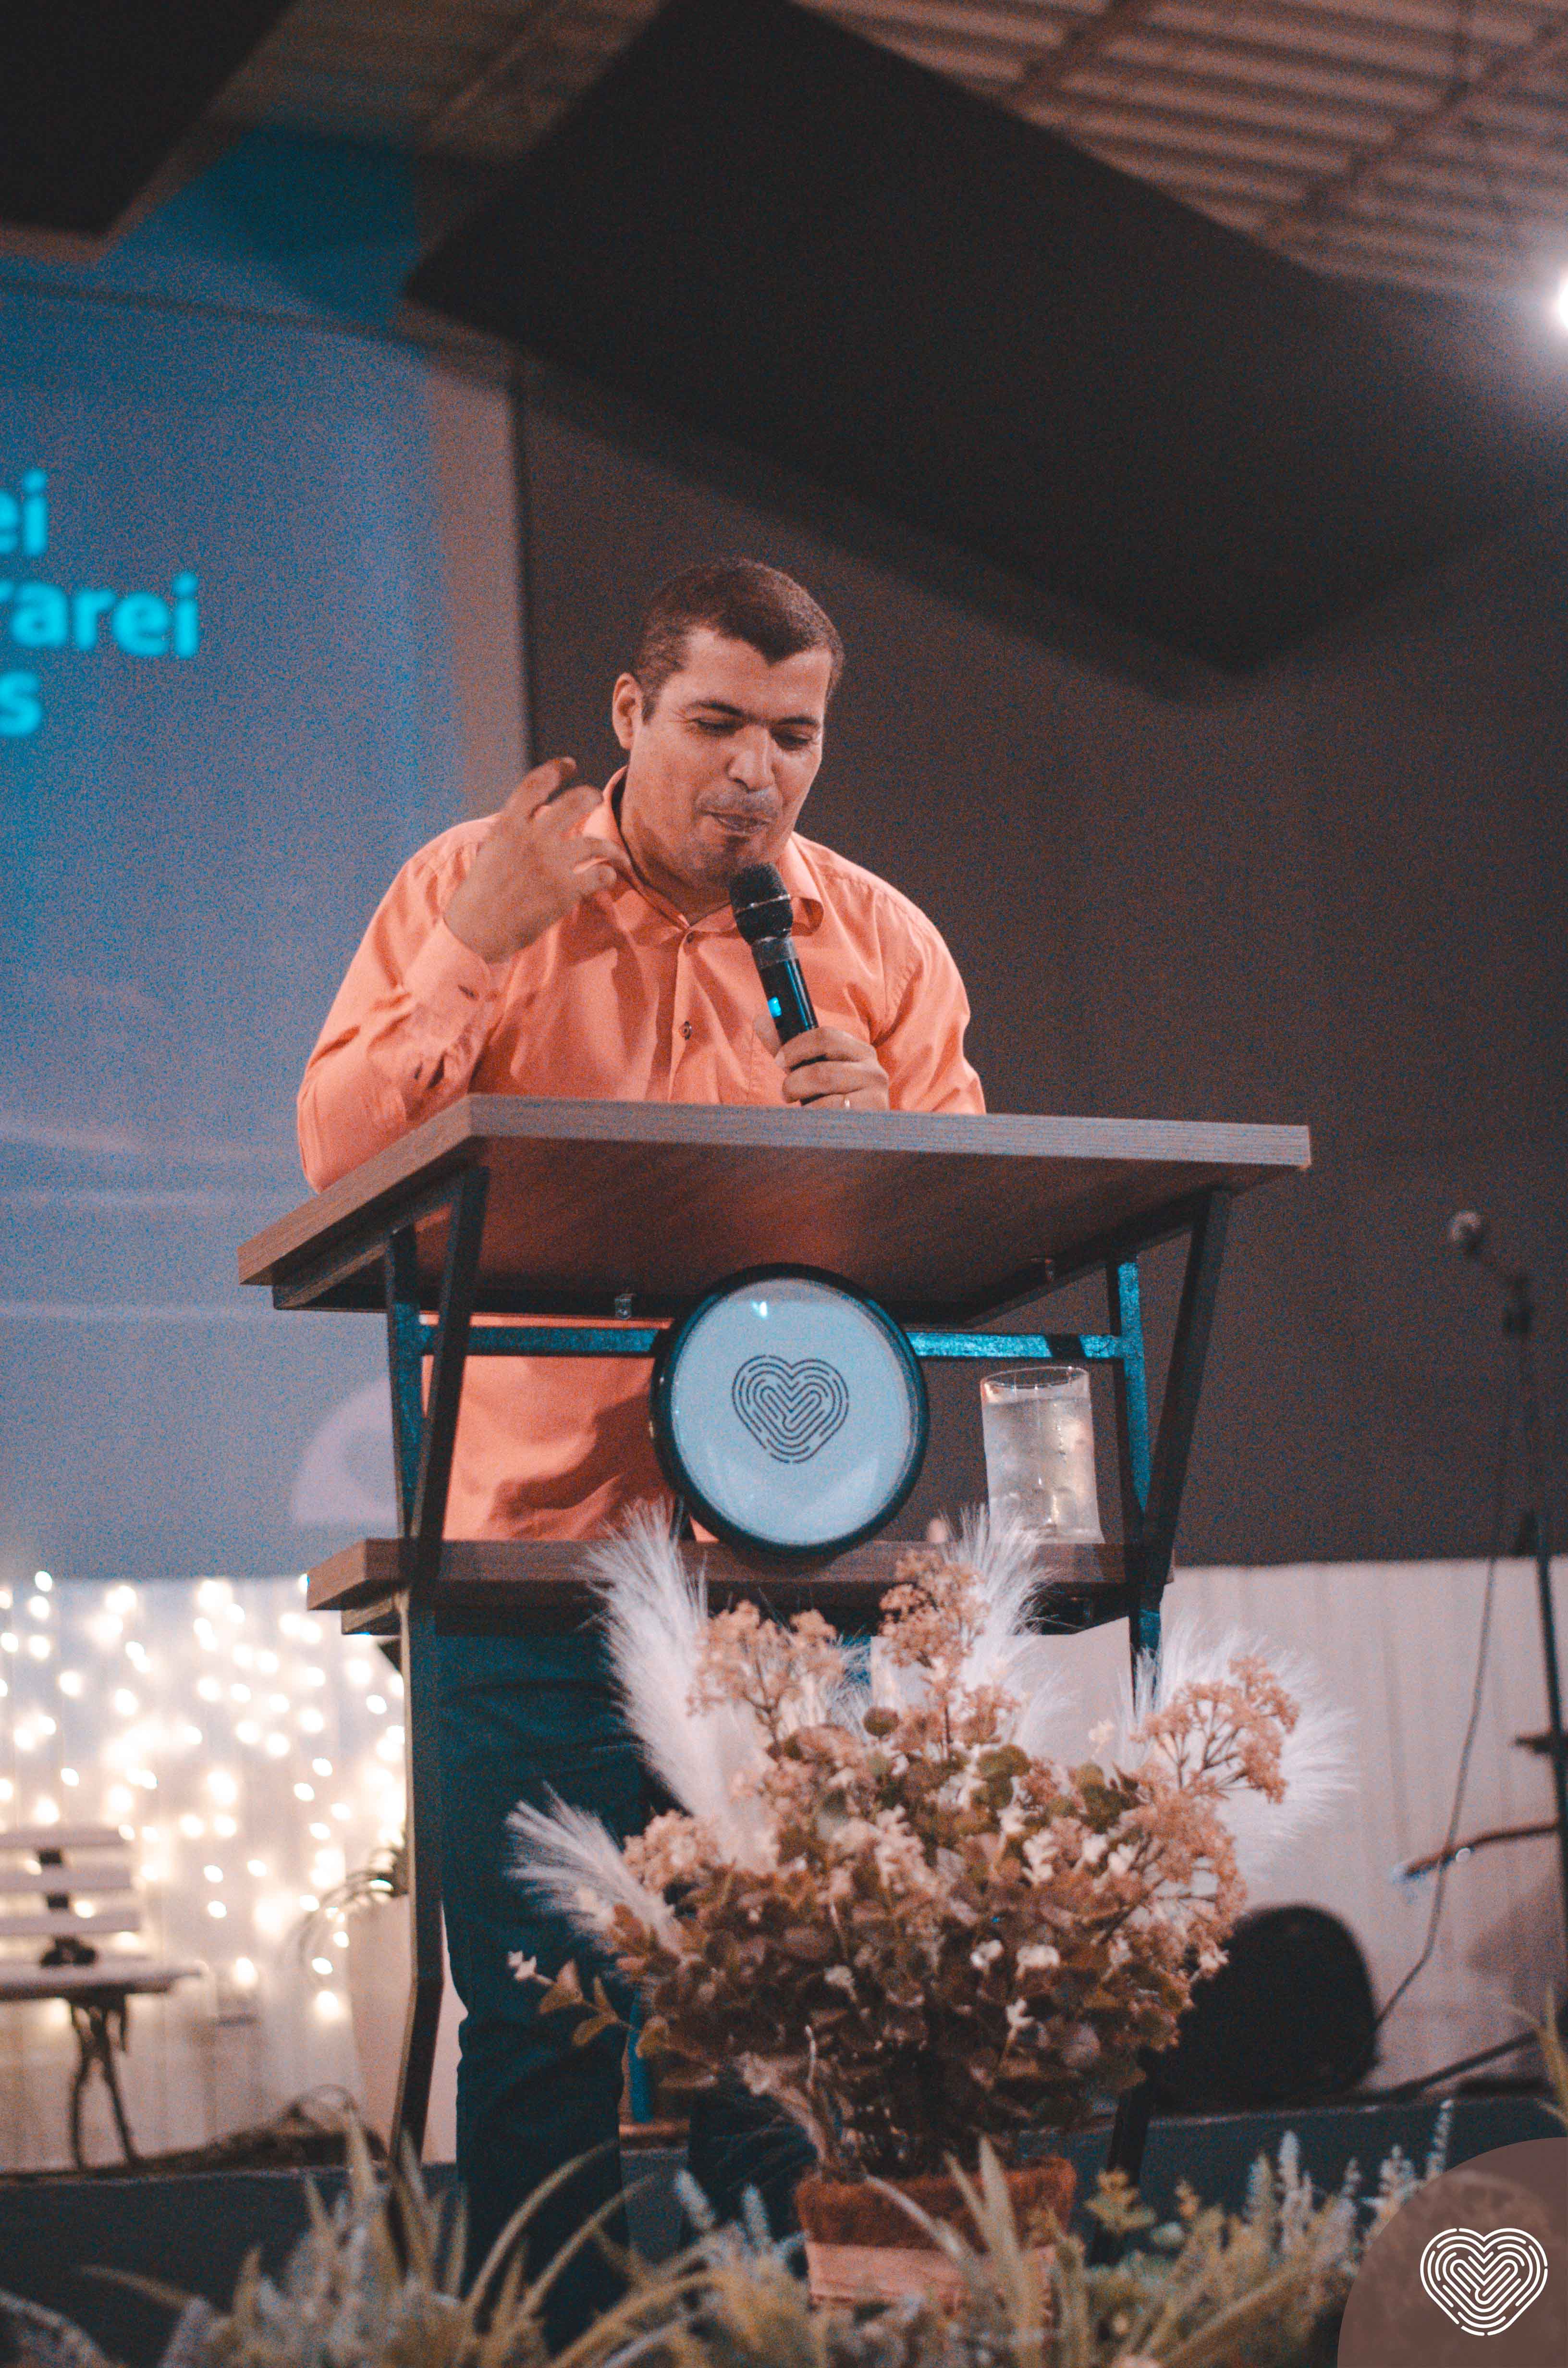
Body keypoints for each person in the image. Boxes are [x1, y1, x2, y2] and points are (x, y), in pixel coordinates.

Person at [298, 559, 984, 2324]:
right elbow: (340, 1166)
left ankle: (811, 2347)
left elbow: (972, 1243)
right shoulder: (468, 886)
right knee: (538, 2020)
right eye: (716, 724)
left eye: (795, 737)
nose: (757, 772)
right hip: (525, 1561)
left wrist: (891, 1157)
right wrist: (476, 949)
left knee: (799, 2025)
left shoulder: (879, 942)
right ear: (629, 713)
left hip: (789, 1574)